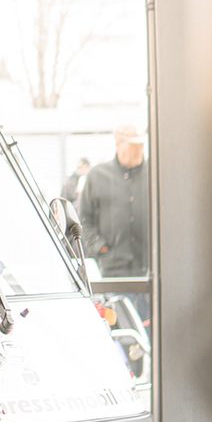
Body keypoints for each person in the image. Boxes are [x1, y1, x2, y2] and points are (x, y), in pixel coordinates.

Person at [79, 123, 151, 325]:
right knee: (119, 326)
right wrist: (100, 247)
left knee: (148, 331)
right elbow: (84, 218)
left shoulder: (155, 174)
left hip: (149, 270)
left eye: (140, 145)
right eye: (132, 146)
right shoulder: (97, 176)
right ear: (118, 144)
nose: (138, 151)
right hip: (112, 270)